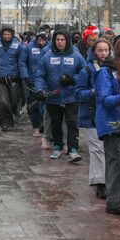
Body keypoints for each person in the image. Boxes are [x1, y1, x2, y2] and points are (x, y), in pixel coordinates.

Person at [34, 29, 89, 162]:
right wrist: (40, 90)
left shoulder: (76, 56)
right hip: (53, 97)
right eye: (57, 40)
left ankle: (73, 149)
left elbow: (85, 72)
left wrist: (72, 79)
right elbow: (40, 75)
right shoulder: (47, 56)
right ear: (54, 41)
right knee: (56, 123)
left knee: (71, 122)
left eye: (63, 40)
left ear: (67, 41)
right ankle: (57, 146)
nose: (60, 42)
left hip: (71, 97)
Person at [96, 37, 120, 213]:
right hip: (111, 124)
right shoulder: (105, 72)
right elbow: (104, 99)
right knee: (119, 162)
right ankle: (114, 201)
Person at [79, 39, 111, 196]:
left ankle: (108, 179)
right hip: (92, 113)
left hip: (110, 113)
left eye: (106, 50)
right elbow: (78, 93)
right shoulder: (87, 70)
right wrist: (92, 92)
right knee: (97, 148)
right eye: (100, 50)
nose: (104, 53)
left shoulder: (114, 69)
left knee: (108, 148)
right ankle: (100, 182)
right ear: (94, 52)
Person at [21, 26, 51, 138]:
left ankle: (45, 124)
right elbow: (23, 63)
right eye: (39, 40)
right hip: (32, 80)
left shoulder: (49, 48)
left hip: (46, 82)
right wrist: (26, 77)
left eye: (43, 40)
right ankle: (36, 126)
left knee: (45, 105)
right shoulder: (28, 48)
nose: (41, 42)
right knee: (33, 104)